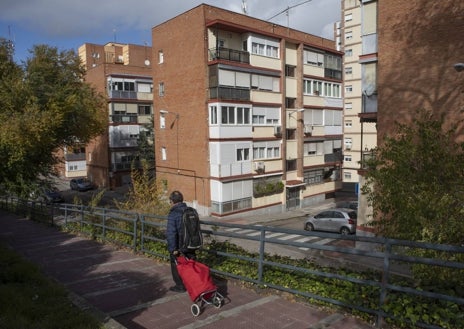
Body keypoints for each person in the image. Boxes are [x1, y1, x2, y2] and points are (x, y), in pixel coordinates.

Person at [166, 190, 195, 292]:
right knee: (191, 264)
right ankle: (192, 283)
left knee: (176, 265)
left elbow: (171, 233)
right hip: (191, 244)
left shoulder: (174, 213)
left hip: (179, 246)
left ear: (172, 201)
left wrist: (172, 249)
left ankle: (180, 286)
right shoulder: (191, 210)